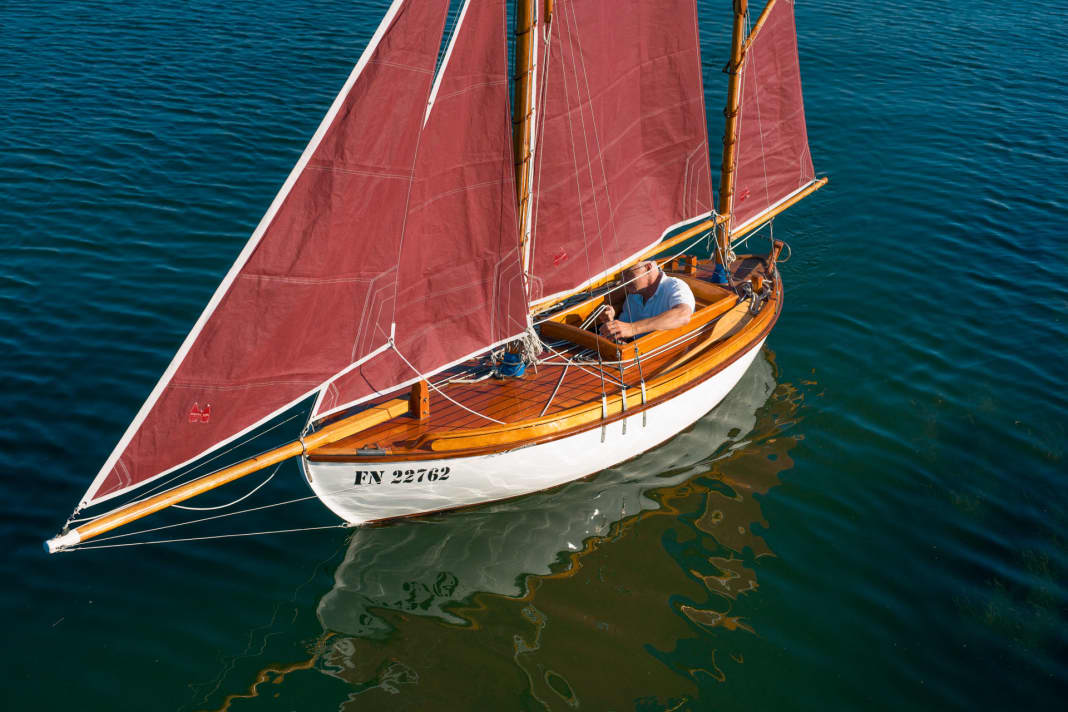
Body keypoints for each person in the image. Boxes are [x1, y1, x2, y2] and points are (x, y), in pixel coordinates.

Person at [598, 260, 695, 340]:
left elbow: (683, 314)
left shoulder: (675, 286)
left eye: (628, 273)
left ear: (648, 268)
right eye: (621, 274)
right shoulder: (634, 293)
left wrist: (632, 328)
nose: (623, 280)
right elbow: (624, 337)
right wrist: (612, 323)